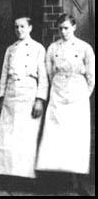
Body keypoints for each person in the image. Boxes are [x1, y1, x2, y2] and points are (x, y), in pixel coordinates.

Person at [36, 14, 95, 194]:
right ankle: (59, 182)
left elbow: (91, 77)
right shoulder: (53, 48)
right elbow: (50, 72)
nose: (63, 32)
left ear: (74, 27)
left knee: (77, 137)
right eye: (60, 28)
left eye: (66, 28)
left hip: (78, 94)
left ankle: (79, 181)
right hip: (58, 94)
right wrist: (58, 87)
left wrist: (83, 95)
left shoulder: (85, 48)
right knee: (56, 137)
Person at [0, 16, 48, 179]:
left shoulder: (38, 48)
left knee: (27, 136)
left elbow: (43, 77)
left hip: (28, 95)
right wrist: (2, 96)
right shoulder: (11, 49)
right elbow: (4, 74)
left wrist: (40, 100)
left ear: (30, 28)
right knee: (8, 137)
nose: (19, 30)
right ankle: (9, 175)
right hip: (11, 95)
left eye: (22, 27)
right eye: (16, 27)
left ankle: (27, 176)